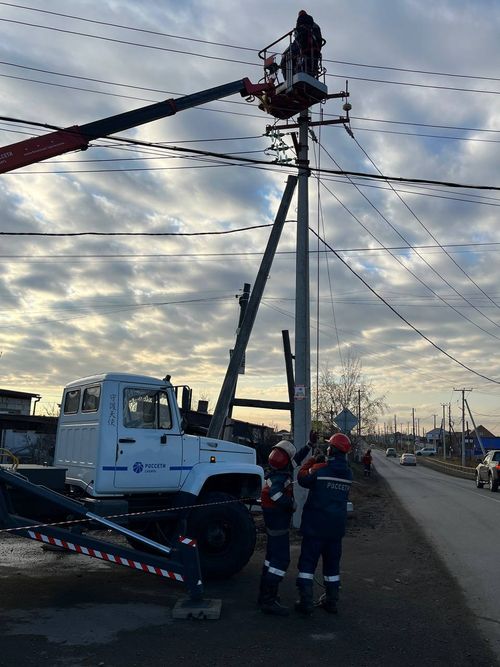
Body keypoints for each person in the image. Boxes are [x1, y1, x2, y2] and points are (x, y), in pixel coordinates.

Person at [258, 431, 318, 616]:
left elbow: (296, 459)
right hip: (278, 523)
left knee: (270, 559)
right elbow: (276, 495)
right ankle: (269, 600)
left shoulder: (277, 471)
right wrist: (291, 503)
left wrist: (309, 445)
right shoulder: (279, 478)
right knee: (281, 560)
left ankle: (265, 595)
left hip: (273, 523)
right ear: (284, 459)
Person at [295, 432, 353, 616]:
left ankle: (306, 602)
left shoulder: (320, 469)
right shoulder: (348, 474)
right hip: (335, 530)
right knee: (332, 568)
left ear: (332, 450)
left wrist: (312, 460)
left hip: (315, 527)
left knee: (307, 565)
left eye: (329, 446)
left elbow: (302, 478)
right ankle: (332, 601)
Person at [280, 10, 323, 79]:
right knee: (309, 66)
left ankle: (289, 79)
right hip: (315, 53)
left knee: (285, 59)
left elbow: (298, 40)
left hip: (304, 50)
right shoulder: (316, 27)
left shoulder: (301, 24)